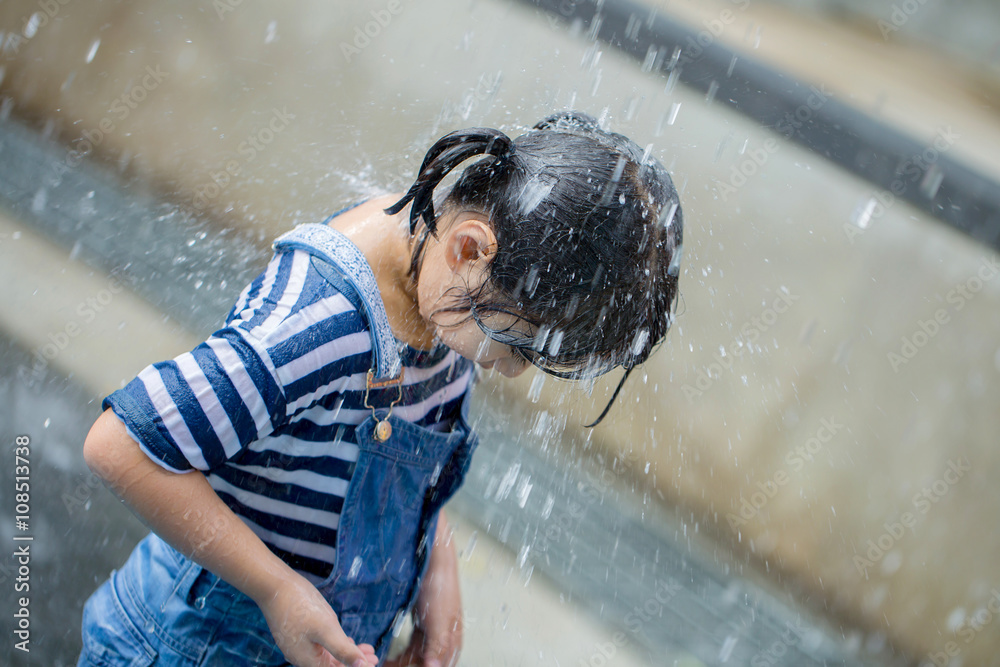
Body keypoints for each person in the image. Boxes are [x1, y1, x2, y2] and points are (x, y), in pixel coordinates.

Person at [78, 111, 684, 667]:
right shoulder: (325, 320)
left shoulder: (450, 291)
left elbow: (403, 475)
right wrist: (276, 589)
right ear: (470, 247)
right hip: (192, 645)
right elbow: (120, 445)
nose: (516, 370)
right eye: (519, 345)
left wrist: (436, 576)